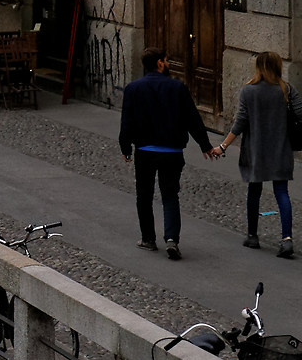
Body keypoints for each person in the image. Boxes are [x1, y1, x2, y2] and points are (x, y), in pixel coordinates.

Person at [119, 47, 221, 258]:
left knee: (144, 195)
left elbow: (126, 122)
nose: (168, 64)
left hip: (145, 150)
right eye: (166, 61)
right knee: (170, 195)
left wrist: (125, 148)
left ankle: (148, 239)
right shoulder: (177, 88)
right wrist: (205, 145)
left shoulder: (133, 89)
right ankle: (172, 239)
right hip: (172, 151)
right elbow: (193, 119)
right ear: (159, 63)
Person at [222, 52, 299, 257]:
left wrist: (222, 147)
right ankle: (286, 239)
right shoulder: (287, 90)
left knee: (254, 192)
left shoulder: (249, 91)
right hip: (281, 150)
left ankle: (253, 235)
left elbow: (240, 123)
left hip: (255, 151)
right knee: (282, 193)